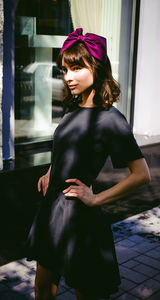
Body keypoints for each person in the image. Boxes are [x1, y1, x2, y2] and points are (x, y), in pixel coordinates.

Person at [26, 28, 151, 300]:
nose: (68, 77)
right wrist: (51, 171)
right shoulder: (73, 108)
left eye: (76, 68)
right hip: (52, 211)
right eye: (64, 69)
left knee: (87, 293)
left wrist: (96, 199)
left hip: (80, 218)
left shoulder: (110, 119)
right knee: (42, 288)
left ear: (96, 67)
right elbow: (68, 148)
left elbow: (141, 175)